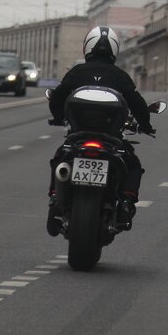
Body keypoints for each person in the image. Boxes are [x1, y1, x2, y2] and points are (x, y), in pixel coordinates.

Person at [48, 26, 154, 231]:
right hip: (110, 139)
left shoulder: (77, 72)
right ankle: (125, 202)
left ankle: (55, 199)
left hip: (78, 137)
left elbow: (57, 97)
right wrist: (146, 125)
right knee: (132, 164)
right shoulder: (120, 75)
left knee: (60, 157)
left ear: (87, 47)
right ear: (114, 50)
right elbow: (137, 103)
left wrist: (58, 117)